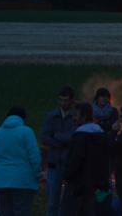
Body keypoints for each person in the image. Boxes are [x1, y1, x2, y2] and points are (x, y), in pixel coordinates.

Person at [60, 103, 112, 216]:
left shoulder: (80, 136)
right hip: (99, 184)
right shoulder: (103, 136)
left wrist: (67, 175)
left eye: (76, 115)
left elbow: (75, 160)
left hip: (80, 186)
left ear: (84, 117)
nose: (74, 118)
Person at [0, 106, 41, 216]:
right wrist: (37, 176)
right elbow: (35, 157)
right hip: (23, 182)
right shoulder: (27, 132)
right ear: (23, 118)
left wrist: (0, 173)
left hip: (2, 181)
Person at [42, 86, 77, 216]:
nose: (63, 103)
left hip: (69, 164)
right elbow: (45, 137)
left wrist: (56, 136)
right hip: (54, 163)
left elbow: (74, 136)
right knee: (52, 202)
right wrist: (61, 142)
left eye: (66, 100)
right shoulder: (52, 116)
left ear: (72, 100)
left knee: (70, 202)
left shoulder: (76, 116)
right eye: (60, 100)